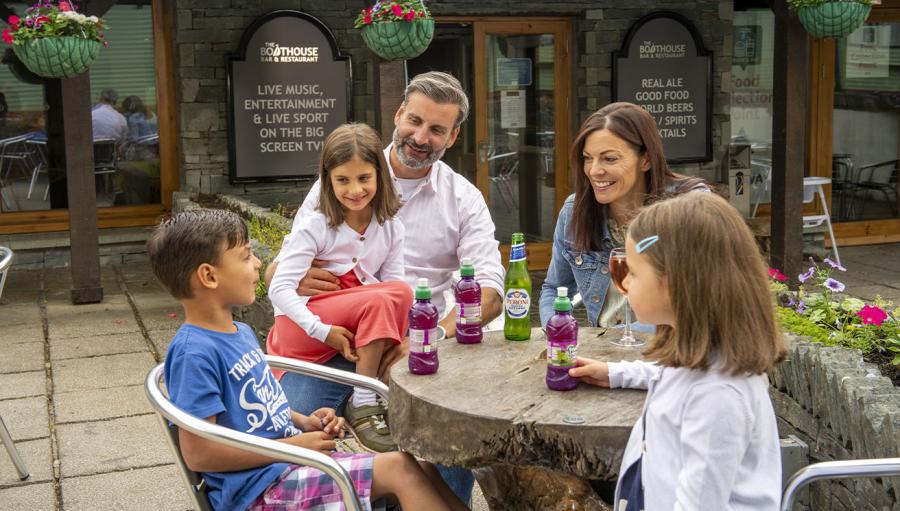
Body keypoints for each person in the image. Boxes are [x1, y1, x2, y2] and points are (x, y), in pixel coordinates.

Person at [265, 71, 503, 503]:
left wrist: (432, 336)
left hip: (415, 342)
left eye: (436, 129)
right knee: (280, 434)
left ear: (453, 135)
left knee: (452, 437)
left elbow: (489, 291)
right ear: (398, 114)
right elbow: (275, 273)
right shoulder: (343, 179)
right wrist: (292, 275)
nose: (420, 136)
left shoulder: (463, 199)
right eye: (414, 120)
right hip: (330, 345)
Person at [149, 209, 467, 511]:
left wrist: (303, 421)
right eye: (246, 257)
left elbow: (256, 403)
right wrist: (296, 445)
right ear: (209, 276)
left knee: (420, 465)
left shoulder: (239, 331)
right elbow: (199, 454)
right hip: (260, 491)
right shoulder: (194, 352)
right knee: (400, 469)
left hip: (284, 465)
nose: (259, 264)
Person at [569, 192, 787, 510]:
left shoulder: (718, 395)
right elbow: (669, 373)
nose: (624, 282)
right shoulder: (699, 357)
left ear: (677, 284)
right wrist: (614, 373)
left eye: (635, 272)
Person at [267, 123, 412, 453]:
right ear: (328, 181)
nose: (355, 190)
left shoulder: (391, 228)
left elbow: (393, 288)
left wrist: (402, 336)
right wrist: (321, 331)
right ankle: (364, 399)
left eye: (364, 178)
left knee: (399, 293)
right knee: (391, 295)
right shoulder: (316, 225)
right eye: (342, 180)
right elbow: (279, 288)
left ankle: (363, 389)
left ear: (379, 176)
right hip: (300, 330)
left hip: (346, 328)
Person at [539, 102, 708, 329]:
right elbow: (554, 289)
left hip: (669, 355)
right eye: (588, 158)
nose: (594, 170)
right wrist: (558, 331)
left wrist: (611, 346)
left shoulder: (689, 208)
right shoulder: (574, 211)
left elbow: (697, 303)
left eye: (609, 159)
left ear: (645, 160)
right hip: (602, 355)